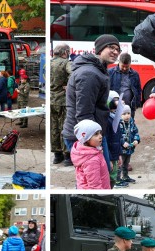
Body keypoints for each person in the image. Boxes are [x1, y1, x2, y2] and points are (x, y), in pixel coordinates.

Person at [62, 34, 119, 167]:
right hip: (86, 136)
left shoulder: (98, 70)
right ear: (100, 49)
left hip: (92, 132)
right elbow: (84, 113)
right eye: (111, 47)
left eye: (118, 49)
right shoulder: (90, 74)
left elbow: (95, 102)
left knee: (97, 178)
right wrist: (93, 143)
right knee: (93, 180)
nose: (115, 52)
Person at [70, 119, 111, 189]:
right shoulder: (91, 160)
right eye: (96, 134)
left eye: (100, 132)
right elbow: (94, 186)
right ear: (86, 138)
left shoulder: (92, 150)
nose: (100, 136)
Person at [50, 43, 72, 164]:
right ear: (65, 52)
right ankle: (67, 156)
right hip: (63, 101)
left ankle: (57, 155)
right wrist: (69, 85)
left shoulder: (49, 63)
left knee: (54, 127)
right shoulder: (66, 63)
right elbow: (73, 73)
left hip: (51, 100)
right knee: (65, 127)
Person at [108, 53, 142, 118]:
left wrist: (137, 103)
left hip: (129, 107)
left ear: (130, 64)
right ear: (119, 62)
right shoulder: (110, 72)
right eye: (122, 66)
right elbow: (107, 90)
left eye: (127, 67)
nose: (124, 68)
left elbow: (138, 89)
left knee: (129, 125)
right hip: (114, 107)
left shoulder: (135, 74)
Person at [118, 105, 140, 184]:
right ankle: (117, 179)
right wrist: (122, 142)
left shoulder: (131, 122)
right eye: (124, 114)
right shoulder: (118, 124)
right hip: (121, 149)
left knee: (126, 163)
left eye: (128, 113)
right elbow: (117, 136)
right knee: (120, 164)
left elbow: (135, 132)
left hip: (129, 148)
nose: (127, 116)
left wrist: (136, 140)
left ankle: (125, 176)